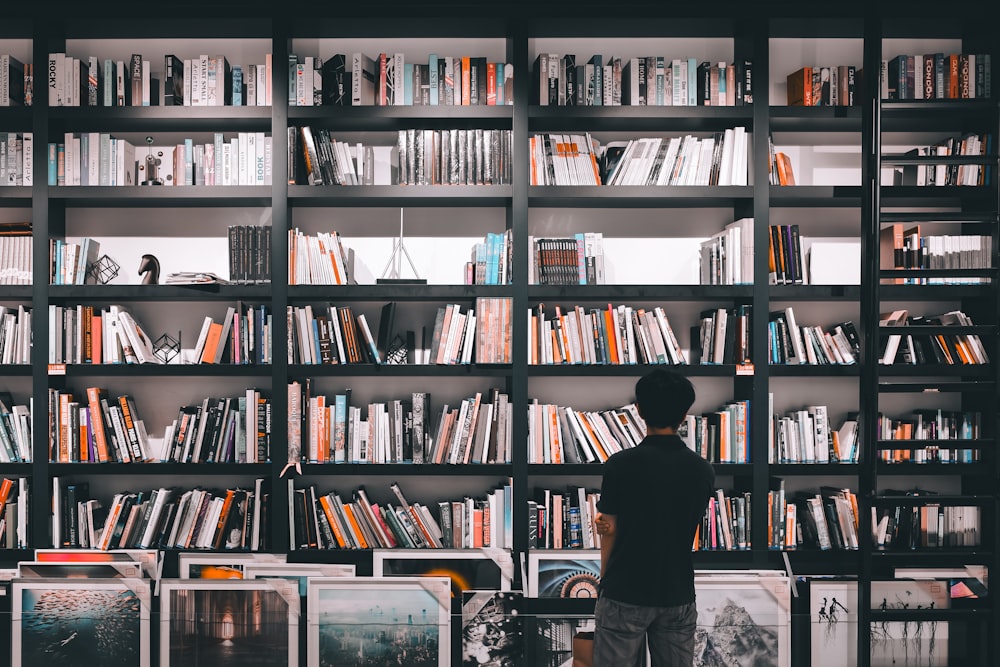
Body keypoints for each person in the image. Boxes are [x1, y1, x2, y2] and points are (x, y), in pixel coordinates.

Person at [593, 369, 715, 666]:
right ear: (684, 414)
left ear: (639, 411)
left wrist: (605, 583)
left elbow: (609, 529)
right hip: (677, 592)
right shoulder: (702, 470)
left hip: (624, 590)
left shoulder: (620, 466)